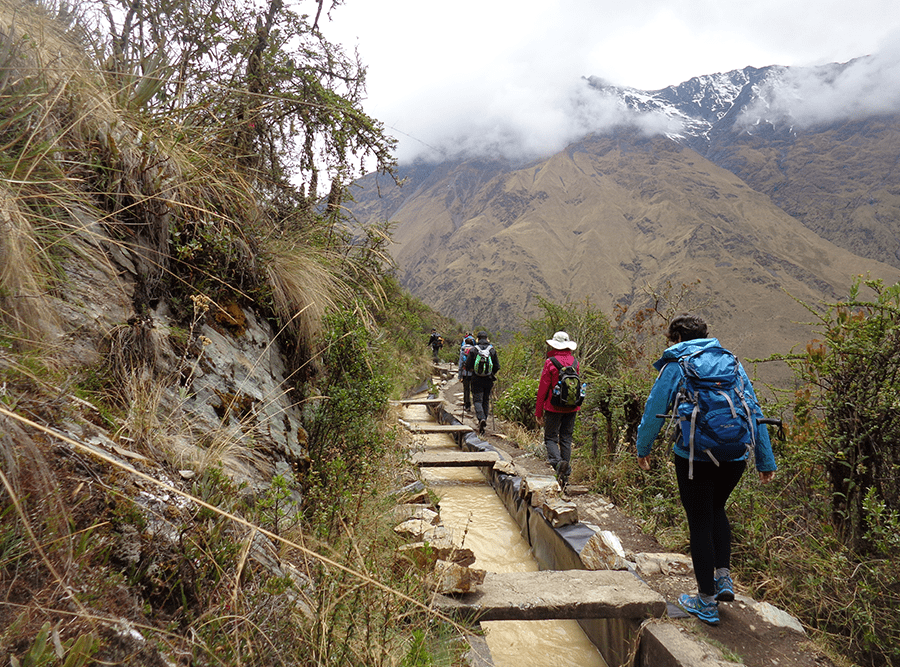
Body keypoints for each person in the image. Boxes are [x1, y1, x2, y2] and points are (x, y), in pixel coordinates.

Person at [635, 314, 777, 626]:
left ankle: (706, 602)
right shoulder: (731, 362)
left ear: (675, 339)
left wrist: (642, 448)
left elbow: (653, 410)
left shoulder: (678, 364)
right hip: (735, 455)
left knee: (699, 521)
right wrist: (765, 460)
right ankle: (723, 579)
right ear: (706, 335)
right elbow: (753, 409)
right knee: (717, 510)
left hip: (693, 457)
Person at [535, 331, 581, 487]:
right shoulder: (575, 362)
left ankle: (558, 464)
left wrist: (538, 412)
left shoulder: (550, 362)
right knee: (566, 438)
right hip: (572, 407)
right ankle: (564, 476)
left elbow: (543, 388)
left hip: (553, 406)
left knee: (550, 438)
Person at [465, 331, 499, 435]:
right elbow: (497, 366)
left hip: (476, 379)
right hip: (488, 379)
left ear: (478, 339)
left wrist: (473, 371)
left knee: (477, 400)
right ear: (487, 338)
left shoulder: (474, 350)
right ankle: (485, 419)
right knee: (486, 400)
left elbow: (467, 365)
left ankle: (481, 419)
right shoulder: (492, 350)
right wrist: (490, 373)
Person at [457, 334, 476, 412]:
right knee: (474, 389)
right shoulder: (475, 350)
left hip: (465, 373)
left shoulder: (462, 349)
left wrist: (460, 376)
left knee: (466, 389)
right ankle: (476, 405)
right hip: (474, 373)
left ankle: (467, 405)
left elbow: (461, 363)